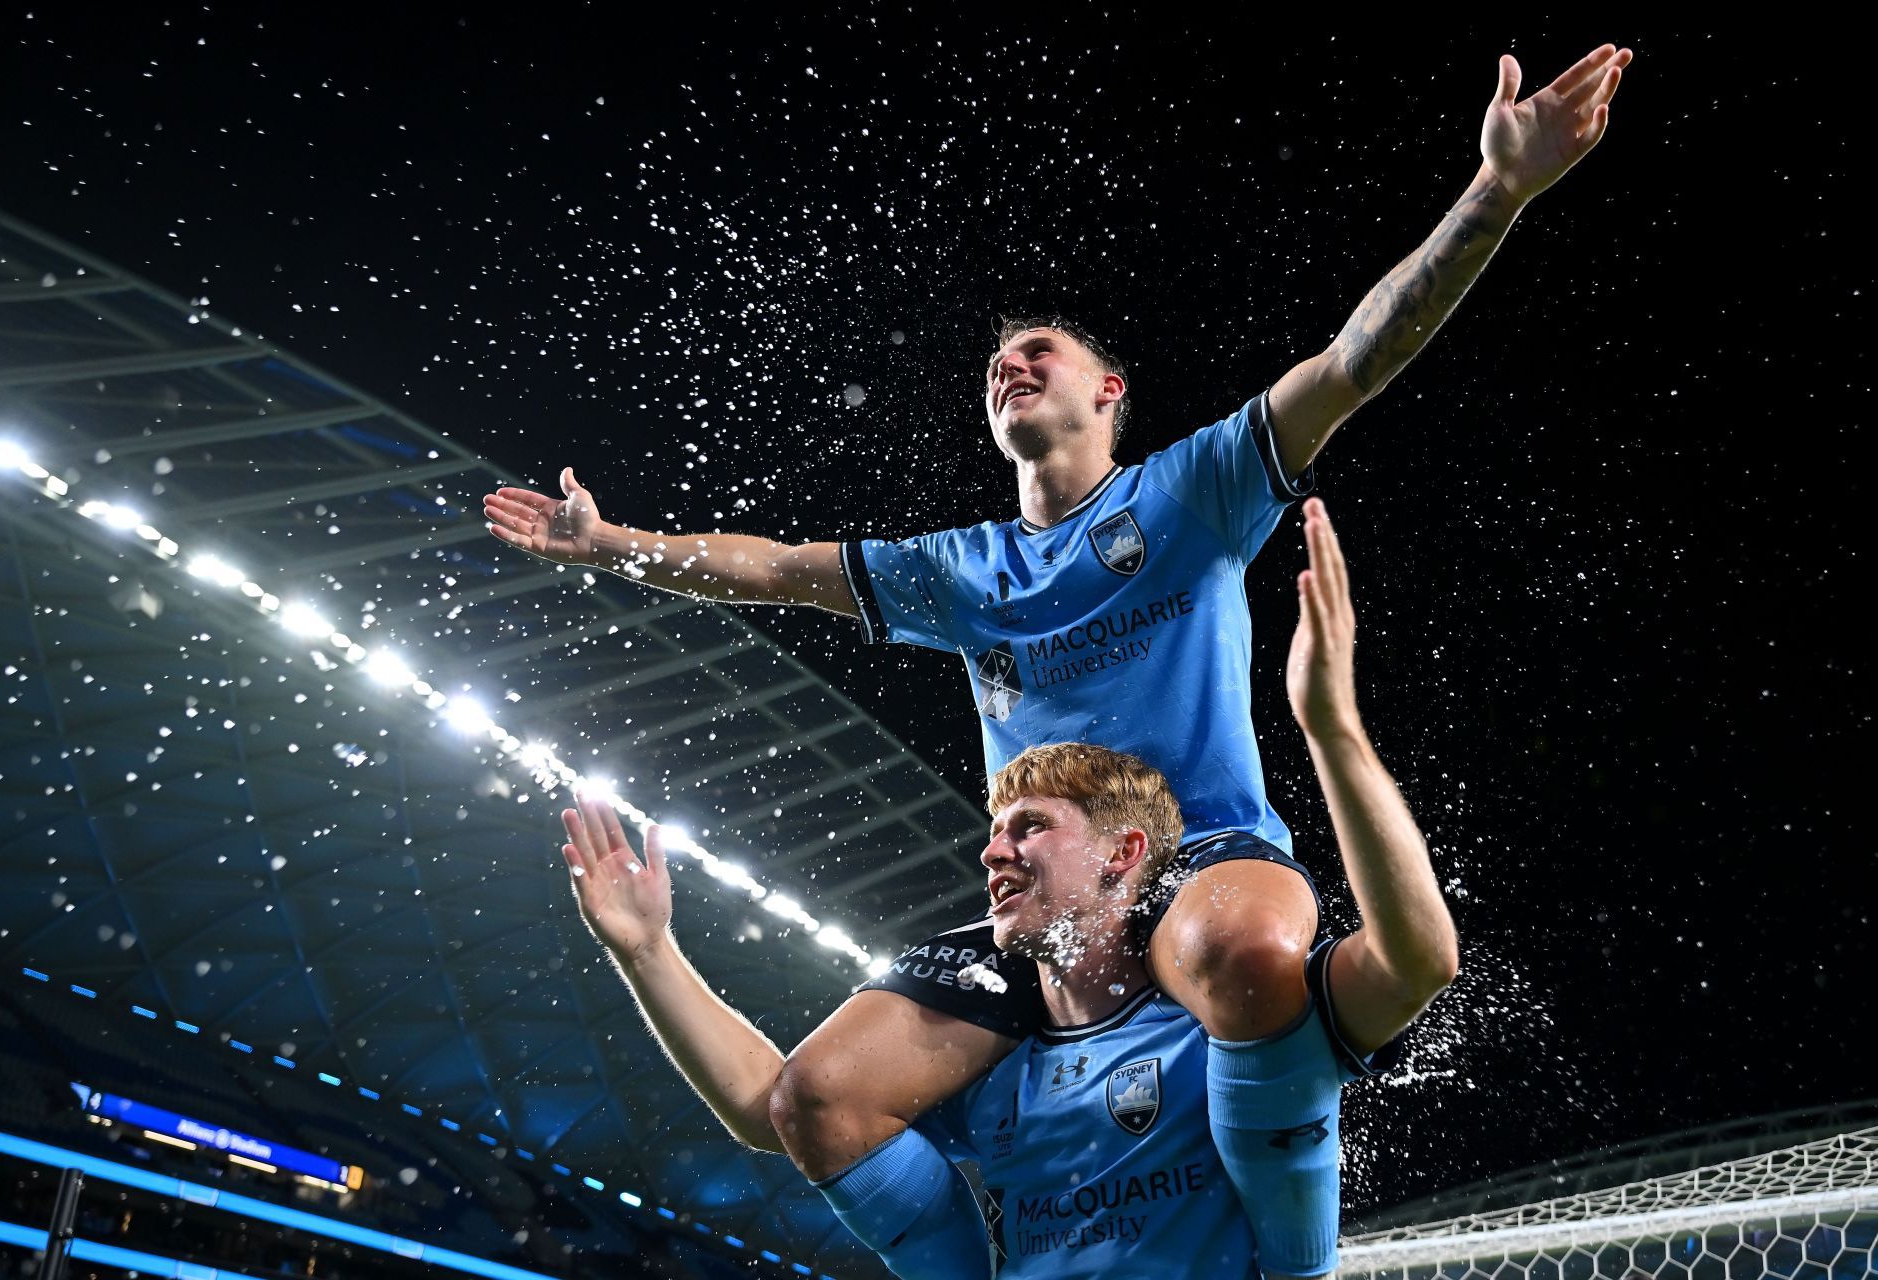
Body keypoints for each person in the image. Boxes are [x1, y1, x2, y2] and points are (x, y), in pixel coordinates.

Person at [494, 41, 1623, 1276]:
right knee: (815, 1100)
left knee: (1249, 965)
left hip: (1199, 858)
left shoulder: (1190, 494)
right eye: (995, 366)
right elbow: (769, 566)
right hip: (1048, 906)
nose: (1011, 365)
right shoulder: (956, 569)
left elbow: (1357, 362)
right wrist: (613, 546)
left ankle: (1285, 1223)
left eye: (1041, 353)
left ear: (1110, 392)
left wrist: (1495, 194)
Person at [560, 499, 1460, 1277]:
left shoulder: (1228, 1036)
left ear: (1122, 855)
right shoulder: (993, 1073)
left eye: (1031, 827)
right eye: (994, 831)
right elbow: (778, 1107)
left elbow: (1418, 958)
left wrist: (1333, 734)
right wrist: (646, 950)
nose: (992, 854)